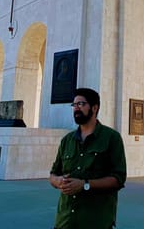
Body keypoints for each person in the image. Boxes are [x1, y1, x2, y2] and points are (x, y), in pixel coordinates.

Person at [49, 88, 127, 229]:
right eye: (74, 105)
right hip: (65, 221)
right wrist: (58, 181)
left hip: (95, 221)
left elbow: (118, 179)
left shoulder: (112, 138)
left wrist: (85, 184)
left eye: (81, 104)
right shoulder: (67, 140)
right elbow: (53, 174)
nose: (76, 108)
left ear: (94, 108)